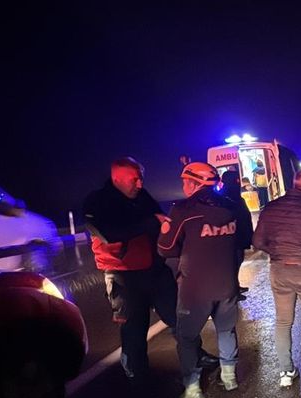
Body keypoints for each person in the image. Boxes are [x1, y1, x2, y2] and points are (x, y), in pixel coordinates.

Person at [83, 157, 218, 382]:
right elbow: (109, 233)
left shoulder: (141, 197)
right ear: (116, 178)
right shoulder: (97, 202)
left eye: (141, 179)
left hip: (154, 270)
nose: (139, 185)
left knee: (180, 317)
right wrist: (151, 222)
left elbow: (160, 222)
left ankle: (196, 356)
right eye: (134, 180)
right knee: (134, 327)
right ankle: (136, 372)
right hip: (124, 276)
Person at [157, 162, 250, 398]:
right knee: (226, 330)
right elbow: (241, 240)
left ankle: (192, 389)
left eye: (185, 181)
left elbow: (165, 248)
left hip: (195, 289)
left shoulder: (183, 210)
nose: (183, 186)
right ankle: (230, 378)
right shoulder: (232, 206)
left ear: (194, 183)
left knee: (187, 337)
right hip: (227, 284)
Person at [252, 169, 301, 387]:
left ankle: (286, 372)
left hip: (279, 270)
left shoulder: (271, 207)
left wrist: (278, 253)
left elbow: (257, 242)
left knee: (283, 321)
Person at [220, 170, 255, 299]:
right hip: (234, 236)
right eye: (236, 180)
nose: (238, 182)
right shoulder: (226, 196)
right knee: (233, 263)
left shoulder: (231, 194)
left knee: (237, 262)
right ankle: (232, 291)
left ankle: (236, 286)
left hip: (238, 235)